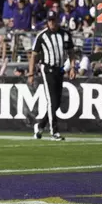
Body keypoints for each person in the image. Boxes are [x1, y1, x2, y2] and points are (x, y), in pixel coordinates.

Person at [28, 10, 75, 141]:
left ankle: (40, 125)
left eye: (53, 20)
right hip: (47, 69)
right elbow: (34, 55)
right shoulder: (42, 36)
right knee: (52, 100)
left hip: (60, 70)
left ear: (58, 20)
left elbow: (71, 52)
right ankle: (54, 131)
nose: (52, 23)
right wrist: (31, 73)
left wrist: (72, 67)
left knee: (57, 102)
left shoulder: (65, 34)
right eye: (49, 20)